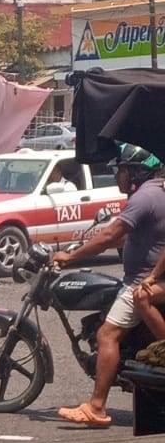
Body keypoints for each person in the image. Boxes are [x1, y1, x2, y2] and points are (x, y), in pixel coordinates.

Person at [55, 144, 165, 427]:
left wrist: (72, 256)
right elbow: (127, 236)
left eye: (122, 171)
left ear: (135, 172)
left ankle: (97, 407)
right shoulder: (158, 191)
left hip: (141, 281)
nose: (118, 177)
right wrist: (85, 244)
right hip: (150, 276)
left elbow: (111, 235)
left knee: (107, 335)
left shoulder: (144, 197)